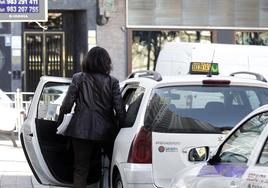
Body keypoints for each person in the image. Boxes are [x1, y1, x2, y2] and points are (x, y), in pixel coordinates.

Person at [58, 46, 126, 188]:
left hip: (80, 130)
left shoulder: (78, 78)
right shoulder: (113, 82)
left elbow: (66, 104)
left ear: (87, 61)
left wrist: (60, 123)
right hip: (107, 131)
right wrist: (123, 128)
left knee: (81, 169)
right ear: (106, 63)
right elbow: (119, 109)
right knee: (118, 165)